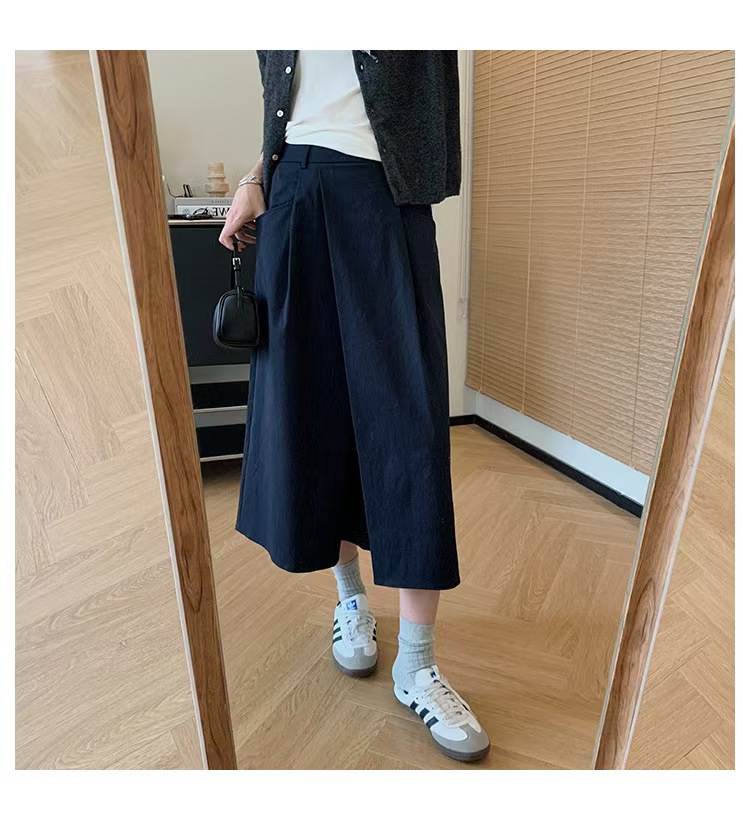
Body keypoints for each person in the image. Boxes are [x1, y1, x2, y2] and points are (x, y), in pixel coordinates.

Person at [219, 50, 489, 763]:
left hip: (387, 196)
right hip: (294, 193)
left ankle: (417, 662)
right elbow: (293, 105)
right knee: (316, 414)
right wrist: (254, 178)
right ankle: (350, 603)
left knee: (411, 424)